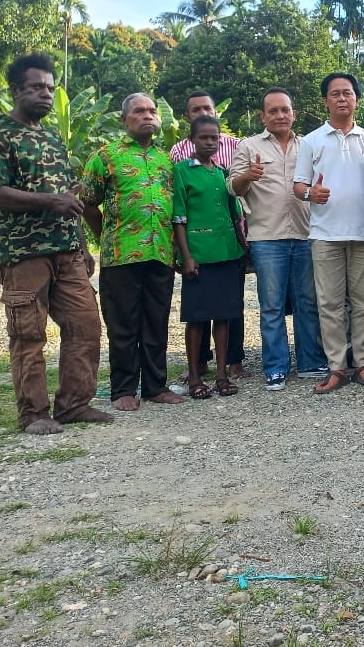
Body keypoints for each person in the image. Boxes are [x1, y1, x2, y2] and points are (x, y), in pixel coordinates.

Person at [0, 52, 111, 435]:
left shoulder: (53, 138)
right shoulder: (0, 135)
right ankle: (34, 413)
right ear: (16, 90)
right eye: (37, 87)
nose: (46, 94)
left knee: (85, 325)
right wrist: (49, 201)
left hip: (66, 250)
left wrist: (83, 245)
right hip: (22, 253)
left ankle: (73, 405)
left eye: (51, 88)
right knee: (29, 334)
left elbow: (70, 197)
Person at [81, 93, 184, 411]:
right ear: (125, 120)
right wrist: (105, 237)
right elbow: (86, 203)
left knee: (156, 322)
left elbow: (177, 207)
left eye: (153, 110)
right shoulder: (106, 156)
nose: (148, 115)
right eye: (139, 111)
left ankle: (156, 386)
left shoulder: (167, 160)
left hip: (160, 254)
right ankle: (123, 389)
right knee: (123, 325)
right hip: (121, 255)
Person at [229, 87, 330, 392]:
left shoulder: (310, 145)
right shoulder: (249, 146)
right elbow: (232, 187)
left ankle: (311, 361)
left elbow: (318, 182)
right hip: (266, 238)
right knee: (271, 306)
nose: (280, 115)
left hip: (305, 234)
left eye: (285, 109)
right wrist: (248, 176)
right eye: (272, 111)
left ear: (293, 114)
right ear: (263, 116)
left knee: (307, 302)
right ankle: (275, 367)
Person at [293, 72, 364, 393]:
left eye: (348, 93)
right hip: (324, 234)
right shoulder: (311, 141)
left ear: (357, 99)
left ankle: (362, 364)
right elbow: (299, 185)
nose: (342, 98)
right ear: (325, 101)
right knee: (329, 304)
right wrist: (310, 195)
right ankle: (336, 368)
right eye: (335, 94)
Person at [169, 90, 247, 380]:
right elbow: (178, 215)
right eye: (203, 138)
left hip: (227, 253)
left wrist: (243, 249)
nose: (210, 142)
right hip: (199, 255)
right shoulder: (181, 170)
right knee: (198, 317)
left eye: (214, 138)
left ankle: (223, 375)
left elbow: (234, 214)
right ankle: (195, 375)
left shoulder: (222, 172)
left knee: (225, 315)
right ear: (192, 140)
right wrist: (185, 255)